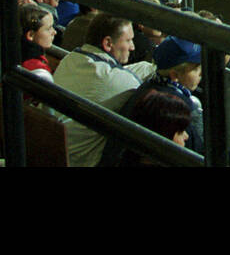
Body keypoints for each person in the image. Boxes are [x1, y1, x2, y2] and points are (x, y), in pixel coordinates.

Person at [52, 13, 158, 166]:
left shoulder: (70, 58)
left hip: (51, 151)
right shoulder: (123, 83)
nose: (132, 47)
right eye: (128, 40)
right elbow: (121, 80)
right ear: (108, 43)